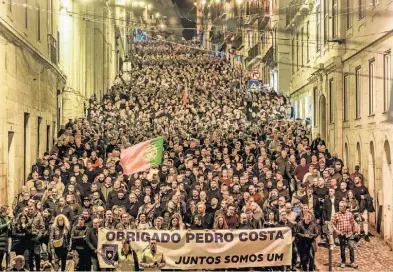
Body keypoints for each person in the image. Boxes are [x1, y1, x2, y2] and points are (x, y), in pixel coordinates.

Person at [331, 201, 358, 269]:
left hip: (349, 233)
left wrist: (355, 232)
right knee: (342, 248)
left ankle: (352, 262)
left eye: (341, 206)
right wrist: (336, 231)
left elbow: (353, 223)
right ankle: (343, 262)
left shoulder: (349, 214)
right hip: (341, 234)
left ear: (345, 207)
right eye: (339, 206)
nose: (339, 207)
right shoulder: (336, 215)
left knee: (351, 247)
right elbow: (332, 223)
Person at [0, 205, 11, 270]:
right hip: (1, 239)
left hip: (7, 238)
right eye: (8, 209)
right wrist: (7, 224)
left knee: (8, 253)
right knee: (1, 255)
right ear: (4, 210)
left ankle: (7, 268)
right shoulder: (0, 218)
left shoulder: (8, 217)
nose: (9, 211)